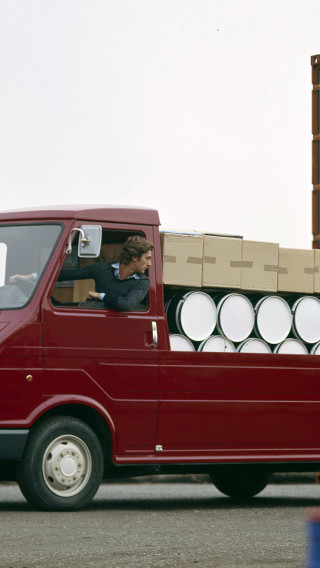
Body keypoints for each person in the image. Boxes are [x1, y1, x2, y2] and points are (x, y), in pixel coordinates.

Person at [10, 235, 154, 312]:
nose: (150, 264)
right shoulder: (103, 269)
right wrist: (27, 277)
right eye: (147, 258)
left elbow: (126, 305)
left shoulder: (142, 282)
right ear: (135, 257)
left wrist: (99, 295)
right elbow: (66, 275)